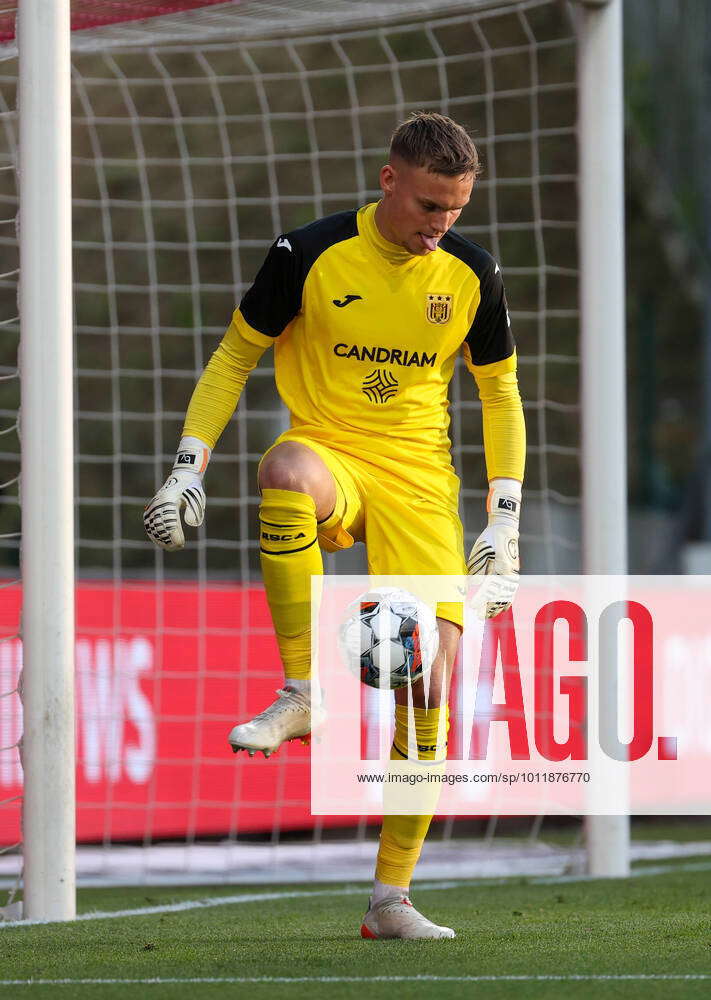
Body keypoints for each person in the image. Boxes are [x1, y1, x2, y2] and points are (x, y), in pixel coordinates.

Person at [144, 111, 525, 940]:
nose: (440, 225)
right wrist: (187, 463)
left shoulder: (471, 273)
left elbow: (498, 394)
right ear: (388, 180)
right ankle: (302, 689)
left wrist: (503, 516)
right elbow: (233, 357)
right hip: (331, 450)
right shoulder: (306, 254)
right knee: (282, 472)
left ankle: (390, 899)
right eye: (428, 205)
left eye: (454, 209)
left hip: (421, 483)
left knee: (426, 688)